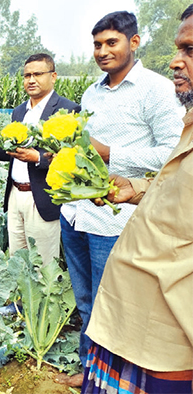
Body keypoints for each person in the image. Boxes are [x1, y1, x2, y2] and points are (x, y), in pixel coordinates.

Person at [57, 11, 184, 386]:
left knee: (111, 305)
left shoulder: (158, 90)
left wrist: (110, 153)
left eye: (111, 42)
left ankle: (112, 379)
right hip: (78, 214)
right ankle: (88, 371)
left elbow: (173, 152)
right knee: (85, 302)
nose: (102, 51)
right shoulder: (91, 92)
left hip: (117, 220)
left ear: (134, 42)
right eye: (97, 44)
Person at [0, 53, 80, 265]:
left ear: (53, 76)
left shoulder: (68, 109)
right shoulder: (18, 112)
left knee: (43, 263)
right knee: (18, 260)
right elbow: (12, 154)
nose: (31, 80)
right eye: (26, 76)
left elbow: (73, 159)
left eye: (37, 74)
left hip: (42, 197)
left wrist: (38, 158)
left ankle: (44, 299)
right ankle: (21, 299)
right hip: (15, 194)